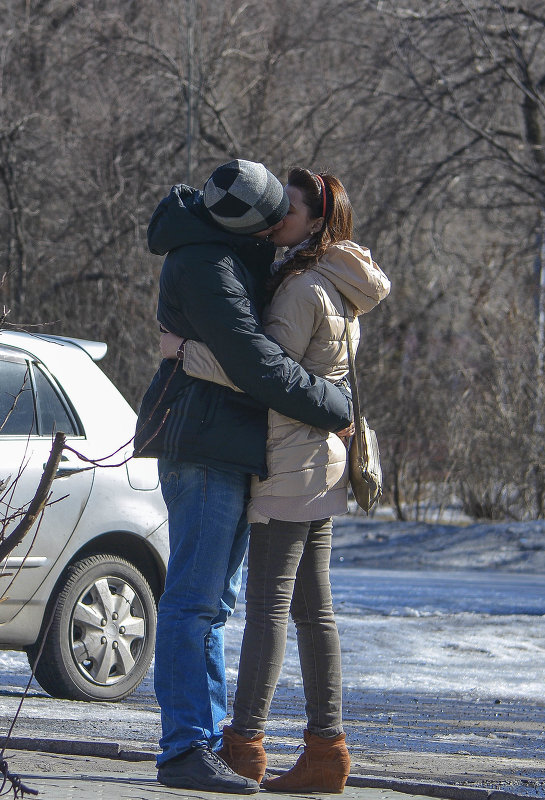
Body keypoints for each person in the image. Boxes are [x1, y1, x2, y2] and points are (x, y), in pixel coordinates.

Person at [160, 167, 389, 794]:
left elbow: (265, 376)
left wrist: (183, 351)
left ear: (315, 221)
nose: (275, 217)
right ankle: (326, 748)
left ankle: (244, 745)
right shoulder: (343, 282)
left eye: (287, 208)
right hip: (321, 460)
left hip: (291, 460)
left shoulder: (298, 290)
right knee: (314, 612)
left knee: (264, 609)